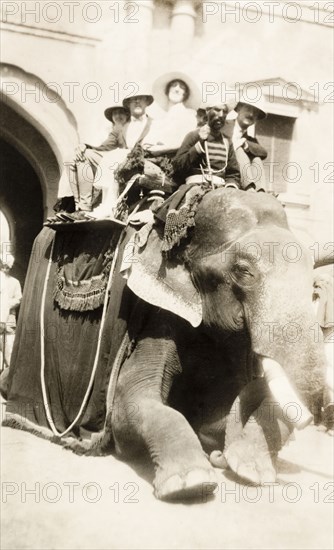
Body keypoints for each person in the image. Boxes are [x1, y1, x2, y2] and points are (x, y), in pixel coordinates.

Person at [172, 104, 241, 188]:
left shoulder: (227, 142)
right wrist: (199, 146)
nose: (221, 115)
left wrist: (230, 186)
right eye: (217, 110)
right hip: (195, 185)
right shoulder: (193, 136)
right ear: (208, 111)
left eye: (225, 111)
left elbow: (233, 173)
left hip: (220, 188)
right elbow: (178, 166)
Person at [144, 72, 200, 153]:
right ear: (168, 90)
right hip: (150, 155)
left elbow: (184, 144)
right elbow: (148, 140)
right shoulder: (159, 118)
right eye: (173, 85)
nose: (176, 89)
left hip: (170, 160)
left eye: (182, 87)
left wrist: (159, 149)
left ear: (185, 94)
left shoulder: (188, 117)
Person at [224, 101, 268, 192]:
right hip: (223, 168)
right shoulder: (223, 125)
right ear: (239, 108)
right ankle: (249, 188)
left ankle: (261, 190)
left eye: (255, 113)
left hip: (238, 171)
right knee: (239, 150)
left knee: (256, 159)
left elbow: (263, 153)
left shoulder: (250, 139)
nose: (251, 114)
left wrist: (246, 144)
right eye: (248, 109)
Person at [0, 253, 22, 371]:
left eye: (7, 266)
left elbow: (18, 299)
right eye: (2, 265)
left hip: (8, 321)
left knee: (9, 352)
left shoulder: (15, 282)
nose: (4, 268)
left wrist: (5, 304)